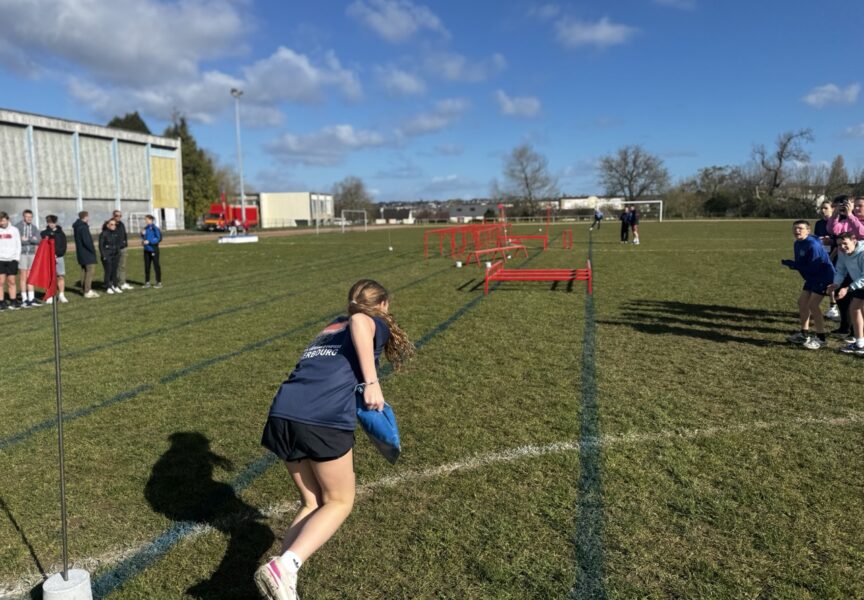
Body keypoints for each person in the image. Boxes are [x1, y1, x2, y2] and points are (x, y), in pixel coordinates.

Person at [254, 280, 415, 600]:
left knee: (313, 502)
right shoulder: (370, 321)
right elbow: (361, 321)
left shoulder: (331, 326)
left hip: (283, 412)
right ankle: (285, 568)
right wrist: (372, 382)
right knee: (340, 501)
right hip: (321, 419)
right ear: (382, 304)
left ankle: (282, 582)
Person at [781, 220, 835, 349]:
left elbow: (814, 267)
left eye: (800, 228)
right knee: (802, 302)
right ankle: (804, 333)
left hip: (823, 276)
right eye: (795, 228)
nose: (797, 231)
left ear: (808, 230)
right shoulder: (798, 243)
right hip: (812, 277)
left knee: (813, 305)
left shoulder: (812, 245)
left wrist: (794, 265)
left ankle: (821, 339)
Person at [825, 196, 864, 339]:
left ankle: (857, 334)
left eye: (860, 206)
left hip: (860, 262)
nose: (857, 209)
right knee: (844, 297)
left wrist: (850, 215)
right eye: (856, 206)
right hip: (848, 261)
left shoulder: (852, 219)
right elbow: (834, 230)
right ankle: (847, 327)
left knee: (857, 301)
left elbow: (861, 233)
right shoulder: (846, 219)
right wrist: (836, 213)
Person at [828, 231, 864, 355]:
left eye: (845, 243)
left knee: (857, 309)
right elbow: (841, 270)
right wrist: (836, 284)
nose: (842, 247)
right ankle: (860, 343)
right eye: (839, 245)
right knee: (855, 309)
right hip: (859, 284)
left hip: (861, 282)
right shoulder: (842, 253)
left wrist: (848, 288)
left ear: (854, 241)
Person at [814, 199, 840, 321]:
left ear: (833, 209)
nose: (823, 210)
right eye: (822, 208)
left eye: (826, 208)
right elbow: (815, 240)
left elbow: (840, 242)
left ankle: (835, 307)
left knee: (834, 281)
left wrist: (832, 255)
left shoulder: (837, 222)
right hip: (823, 256)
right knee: (828, 280)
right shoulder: (819, 223)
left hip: (836, 256)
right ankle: (833, 306)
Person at [16, 209, 41, 307]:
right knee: (23, 276)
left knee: (30, 276)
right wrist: (31, 240)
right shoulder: (17, 227)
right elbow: (18, 240)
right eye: (27, 217)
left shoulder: (34, 227)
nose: (29, 218)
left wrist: (28, 239)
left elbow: (38, 240)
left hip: (31, 254)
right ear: (23, 217)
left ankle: (31, 298)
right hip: (22, 254)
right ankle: (24, 299)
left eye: (30, 217)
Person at [40, 215, 69, 304]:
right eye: (49, 222)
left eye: (53, 222)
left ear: (56, 223)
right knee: (49, 277)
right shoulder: (44, 233)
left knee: (60, 276)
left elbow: (63, 246)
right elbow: (43, 245)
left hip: (59, 257)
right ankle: (49, 295)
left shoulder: (61, 233)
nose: (51, 224)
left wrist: (58, 254)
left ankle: (61, 295)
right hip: (48, 258)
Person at [72, 211, 99, 298]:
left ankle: (84, 289)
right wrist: (93, 250)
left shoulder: (77, 226)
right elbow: (87, 241)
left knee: (84, 271)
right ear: (85, 217)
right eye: (88, 216)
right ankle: (87, 290)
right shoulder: (83, 227)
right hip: (87, 253)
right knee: (90, 271)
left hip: (81, 253)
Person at [0, 211, 22, 310]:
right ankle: (1, 302)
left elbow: (18, 245)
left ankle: (13, 300)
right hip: (0, 260)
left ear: (7, 220)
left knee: (11, 281)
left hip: (12, 260)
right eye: (0, 221)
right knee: (1, 282)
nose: (2, 223)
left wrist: (16, 258)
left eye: (3, 221)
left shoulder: (14, 230)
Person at [99, 219, 122, 294]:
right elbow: (101, 246)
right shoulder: (104, 234)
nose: (113, 226)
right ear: (107, 225)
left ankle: (115, 285)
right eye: (111, 224)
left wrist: (118, 252)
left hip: (115, 254)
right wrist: (104, 256)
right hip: (107, 255)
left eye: (115, 224)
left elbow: (118, 244)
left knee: (114, 271)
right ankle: (107, 287)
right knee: (108, 271)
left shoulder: (116, 233)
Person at [112, 210, 133, 290]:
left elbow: (124, 235)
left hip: (123, 248)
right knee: (114, 267)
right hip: (114, 249)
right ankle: (114, 283)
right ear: (113, 216)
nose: (119, 217)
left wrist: (125, 245)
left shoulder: (121, 224)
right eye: (117, 216)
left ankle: (122, 282)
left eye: (120, 216)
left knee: (122, 266)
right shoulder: (110, 224)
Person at [141, 214, 163, 288]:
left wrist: (150, 242)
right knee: (147, 266)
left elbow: (159, 238)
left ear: (151, 220)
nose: (145, 221)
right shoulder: (145, 228)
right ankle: (147, 282)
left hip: (153, 249)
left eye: (146, 219)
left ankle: (159, 282)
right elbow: (144, 237)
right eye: (145, 219)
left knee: (156, 266)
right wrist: (142, 235)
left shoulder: (155, 228)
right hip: (146, 250)